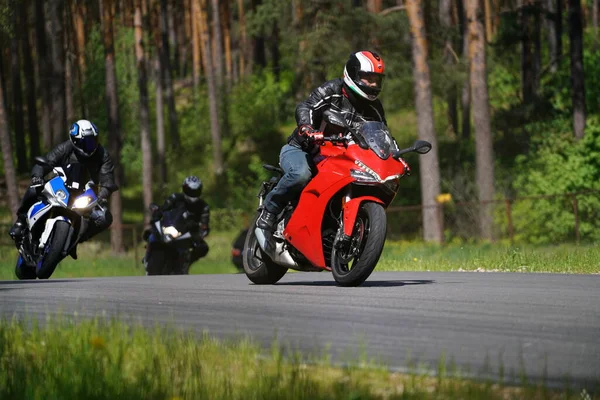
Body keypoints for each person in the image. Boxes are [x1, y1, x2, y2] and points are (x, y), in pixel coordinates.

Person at [256, 50, 387, 230]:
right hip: (303, 150)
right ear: (353, 73)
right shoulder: (333, 90)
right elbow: (306, 106)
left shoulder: (375, 109)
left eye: (376, 79)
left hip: (341, 160)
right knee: (301, 174)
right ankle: (270, 210)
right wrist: (307, 128)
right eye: (367, 78)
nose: (372, 84)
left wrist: (390, 153)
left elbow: (381, 134)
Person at [8, 119, 117, 258]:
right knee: (33, 188)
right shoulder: (66, 147)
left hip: (87, 193)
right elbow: (46, 162)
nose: (92, 146)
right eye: (87, 142)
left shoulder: (103, 155)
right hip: (62, 183)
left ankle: (75, 240)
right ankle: (20, 221)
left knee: (104, 218)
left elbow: (108, 180)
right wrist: (37, 176)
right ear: (76, 141)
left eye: (94, 140)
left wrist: (102, 195)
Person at [147, 176, 210, 264]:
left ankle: (187, 262)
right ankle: (148, 256)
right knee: (149, 233)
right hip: (172, 226)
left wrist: (202, 230)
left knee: (203, 247)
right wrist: (157, 210)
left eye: (195, 191)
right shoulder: (176, 198)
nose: (192, 194)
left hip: (188, 232)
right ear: (184, 189)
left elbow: (205, 224)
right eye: (190, 191)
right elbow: (164, 208)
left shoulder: (203, 206)